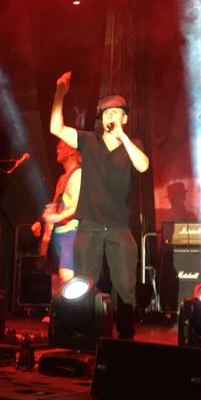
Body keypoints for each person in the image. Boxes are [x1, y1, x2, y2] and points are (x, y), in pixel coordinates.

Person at [50, 71, 149, 338]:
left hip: (118, 227)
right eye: (106, 113)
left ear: (125, 118)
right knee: (84, 282)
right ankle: (85, 332)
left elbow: (143, 166)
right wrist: (59, 95)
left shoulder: (133, 145)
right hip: (90, 225)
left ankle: (125, 333)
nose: (110, 117)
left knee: (125, 284)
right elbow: (56, 129)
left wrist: (122, 137)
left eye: (116, 113)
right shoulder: (89, 141)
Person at [32, 139, 82, 300]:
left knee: (66, 277)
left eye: (61, 147)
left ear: (72, 150)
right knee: (55, 280)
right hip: (58, 232)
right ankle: (57, 311)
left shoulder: (78, 174)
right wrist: (41, 221)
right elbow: (56, 204)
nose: (57, 150)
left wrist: (58, 217)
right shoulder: (62, 178)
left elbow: (76, 207)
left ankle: (72, 311)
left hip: (70, 231)